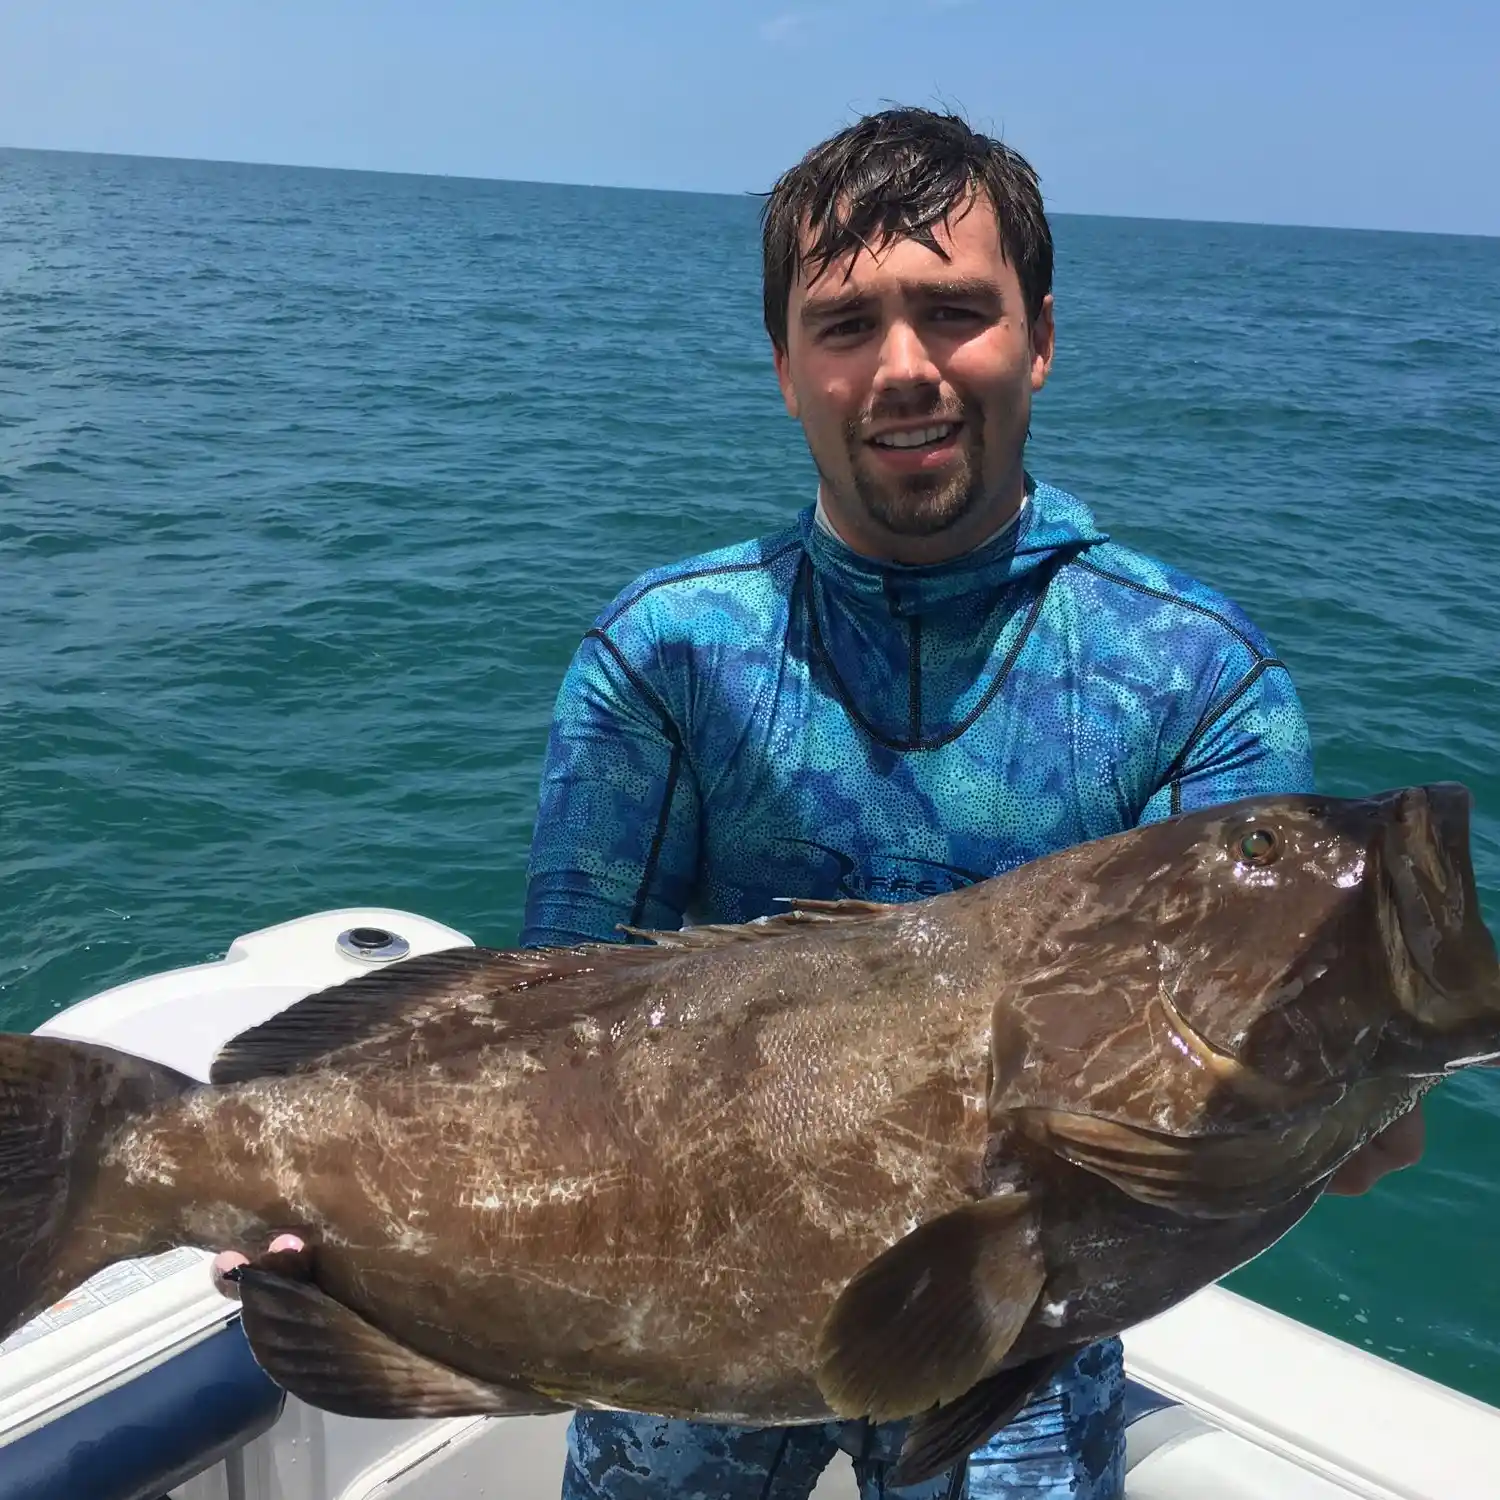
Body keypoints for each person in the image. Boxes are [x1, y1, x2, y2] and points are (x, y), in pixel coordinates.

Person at [215, 105, 1425, 1500]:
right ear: (786, 367)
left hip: (1021, 1325)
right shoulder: (665, 651)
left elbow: (1258, 1053)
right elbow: (546, 1020)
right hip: (671, 1293)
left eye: (955, 311)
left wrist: (1339, 1095)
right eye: (846, 324)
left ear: (1040, 335)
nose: (903, 367)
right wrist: (340, 1215)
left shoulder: (1199, 681)